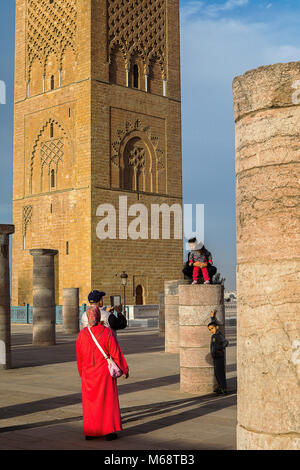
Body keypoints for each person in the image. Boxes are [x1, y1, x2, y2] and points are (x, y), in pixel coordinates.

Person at [76, 305, 129, 441]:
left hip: (88, 374)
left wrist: (82, 373)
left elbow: (79, 357)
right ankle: (109, 431)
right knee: (107, 402)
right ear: (98, 316)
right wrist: (124, 369)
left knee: (90, 404)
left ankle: (90, 431)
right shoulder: (106, 333)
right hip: (104, 374)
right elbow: (115, 352)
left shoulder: (82, 335)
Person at [208, 315, 228, 395]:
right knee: (217, 373)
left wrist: (219, 348)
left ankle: (224, 389)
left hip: (219, 357)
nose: (211, 330)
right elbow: (214, 324)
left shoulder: (218, 336)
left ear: (217, 327)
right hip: (216, 357)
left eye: (212, 328)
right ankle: (221, 387)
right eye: (209, 329)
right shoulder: (215, 335)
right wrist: (212, 318)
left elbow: (226, 342)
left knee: (220, 374)